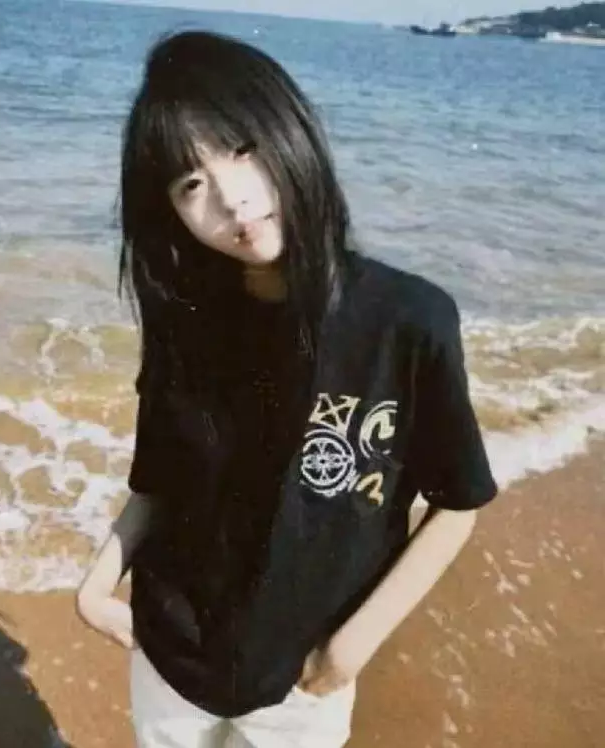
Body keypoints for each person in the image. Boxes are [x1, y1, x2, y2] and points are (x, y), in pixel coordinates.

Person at [77, 29, 498, 748]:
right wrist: (94, 588)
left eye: (241, 150)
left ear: (291, 130)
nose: (231, 199)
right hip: (171, 656)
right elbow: (158, 485)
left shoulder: (407, 321)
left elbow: (458, 502)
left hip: (303, 678)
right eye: (190, 184)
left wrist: (351, 647)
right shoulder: (185, 323)